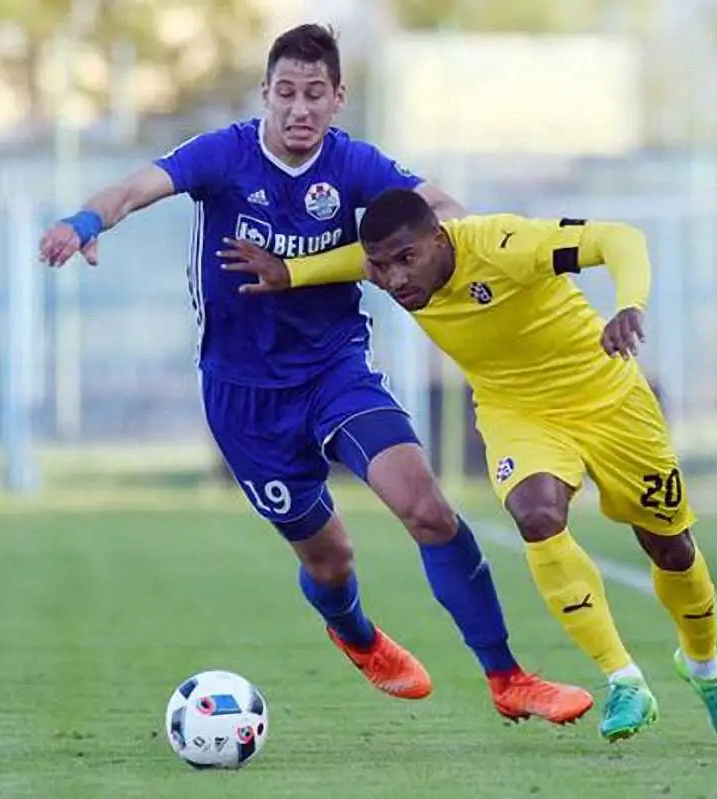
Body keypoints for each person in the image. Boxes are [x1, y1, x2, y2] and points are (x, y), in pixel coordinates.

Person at [37, 24, 592, 726]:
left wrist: (471, 243)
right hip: (245, 399)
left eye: (315, 94)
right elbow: (135, 187)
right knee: (330, 559)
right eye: (287, 93)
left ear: (337, 98)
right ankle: (356, 634)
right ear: (266, 93)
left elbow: (440, 207)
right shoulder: (225, 154)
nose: (300, 109)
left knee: (426, 508)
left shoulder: (352, 163)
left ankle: (507, 676)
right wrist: (86, 220)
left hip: (336, 371)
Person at [219, 189, 717, 746]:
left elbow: (619, 238)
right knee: (537, 515)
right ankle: (623, 680)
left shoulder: (506, 244)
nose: (395, 278)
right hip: (516, 411)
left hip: (610, 400)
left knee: (670, 548)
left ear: (439, 239)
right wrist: (288, 272)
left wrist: (630, 306)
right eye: (381, 267)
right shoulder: (389, 266)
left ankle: (706, 670)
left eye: (406, 260)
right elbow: (349, 261)